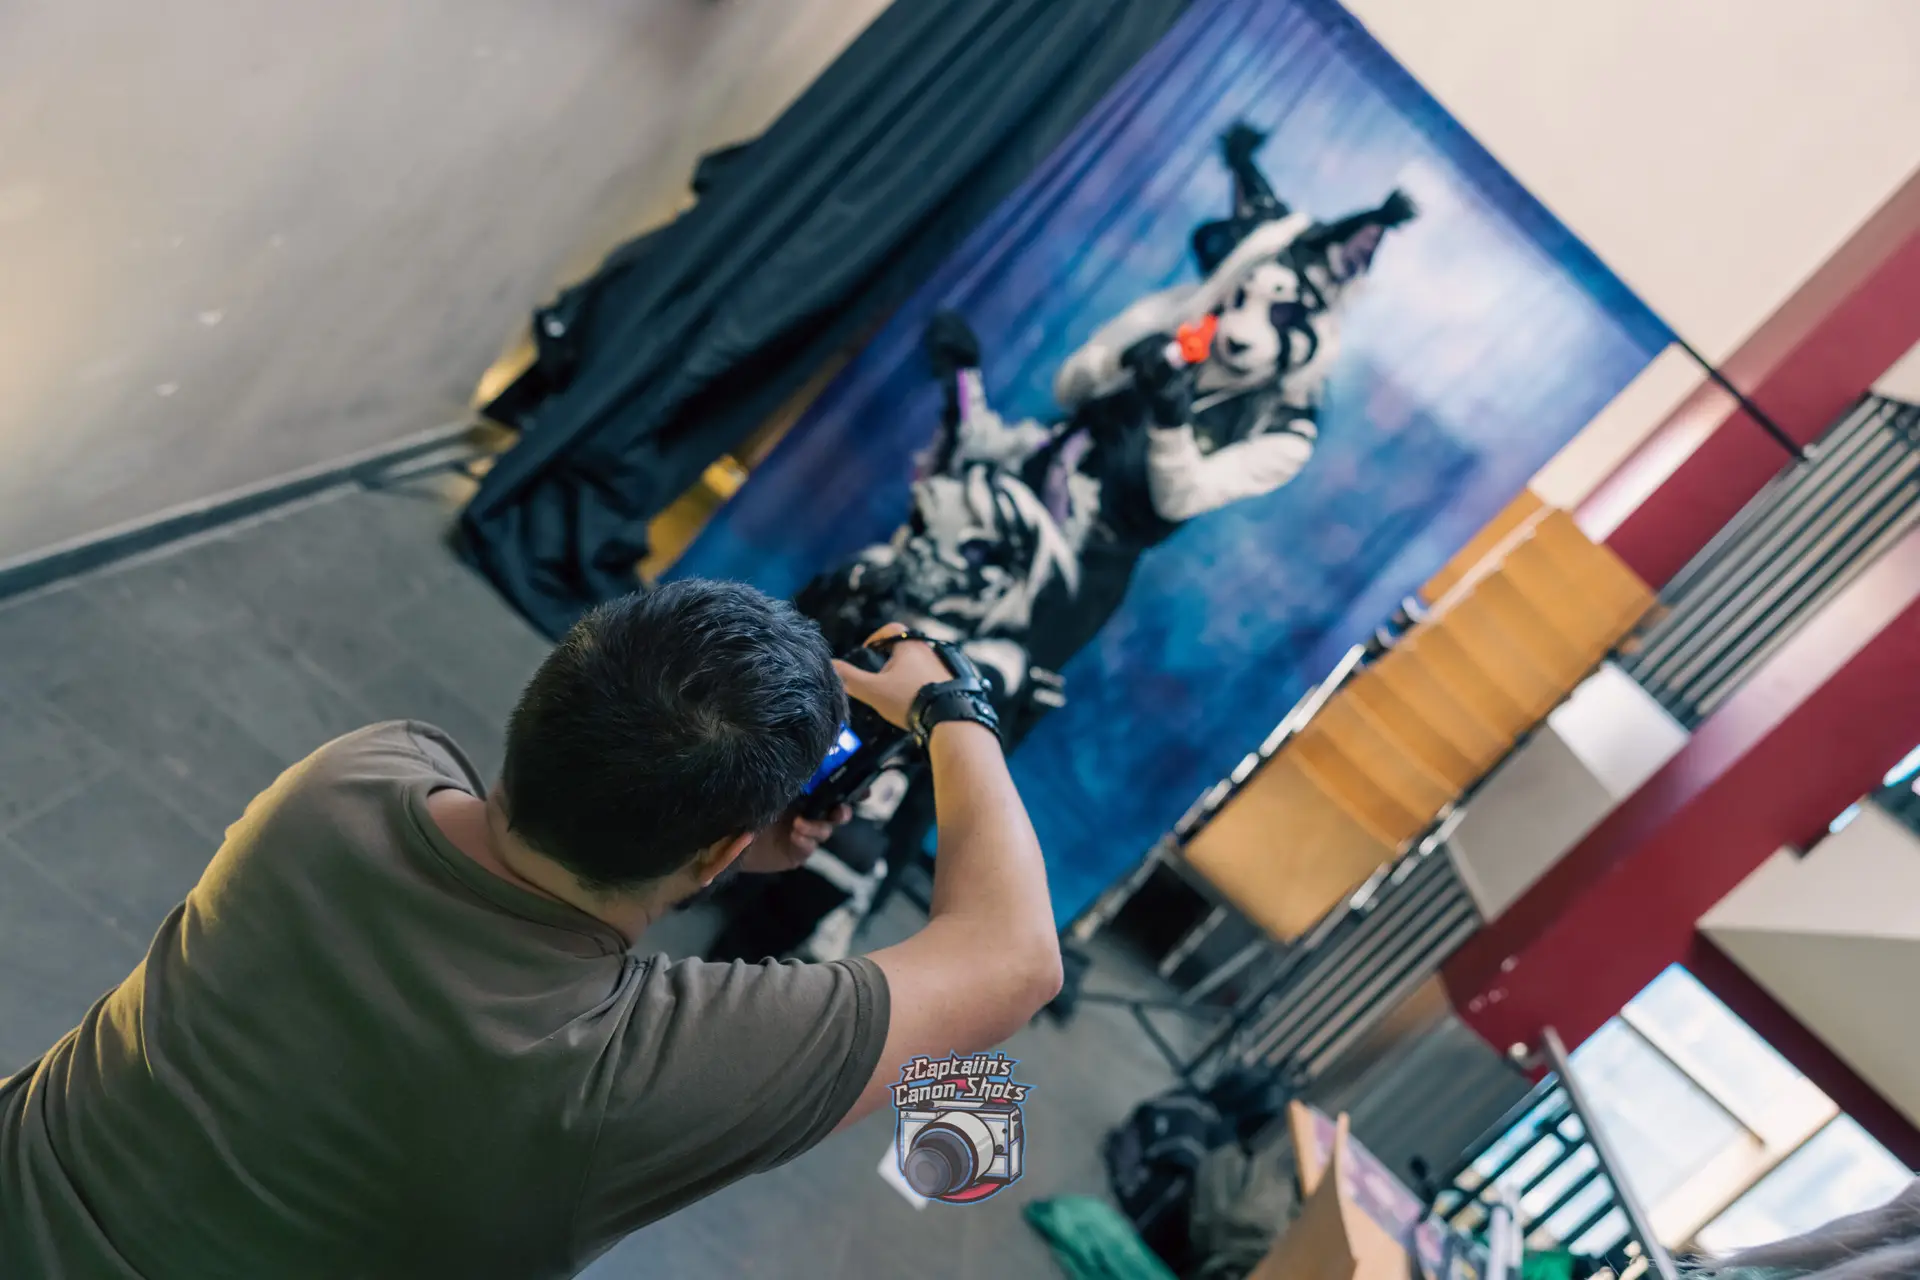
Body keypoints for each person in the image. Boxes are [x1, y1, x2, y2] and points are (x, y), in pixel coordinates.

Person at [0, 580, 1062, 1279]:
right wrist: (952, 709)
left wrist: (725, 836)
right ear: (720, 855)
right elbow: (1012, 957)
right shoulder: (632, 1074)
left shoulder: (349, 778)